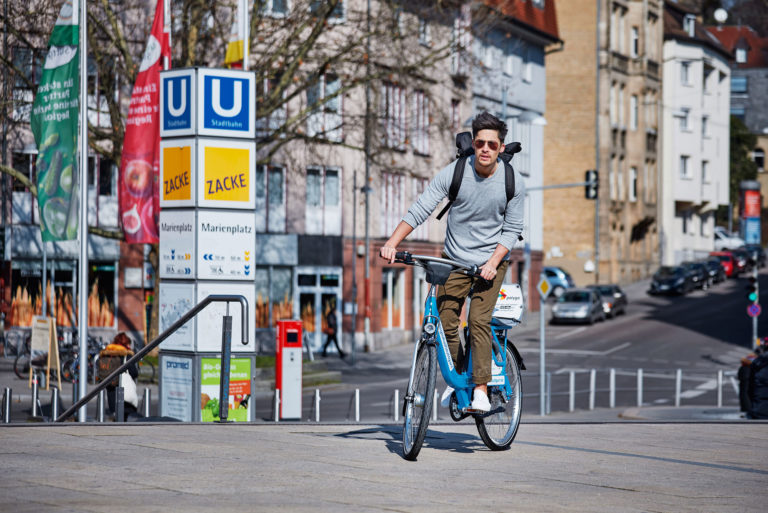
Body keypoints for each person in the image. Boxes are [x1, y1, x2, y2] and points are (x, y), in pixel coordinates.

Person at [379, 111, 524, 412]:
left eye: (492, 145)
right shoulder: (455, 172)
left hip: (490, 262)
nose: (485, 149)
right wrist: (393, 242)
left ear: (500, 147)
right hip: (455, 261)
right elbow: (421, 208)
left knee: (477, 321)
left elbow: (511, 230)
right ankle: (461, 378)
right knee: (444, 324)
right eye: (480, 143)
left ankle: (481, 390)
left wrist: (493, 261)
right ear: (473, 143)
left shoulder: (512, 181)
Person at [98, 332, 140, 421]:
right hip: (124, 395)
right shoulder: (126, 355)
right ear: (126, 344)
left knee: (115, 417)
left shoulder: (107, 353)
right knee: (124, 419)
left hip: (110, 391)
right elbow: (134, 373)